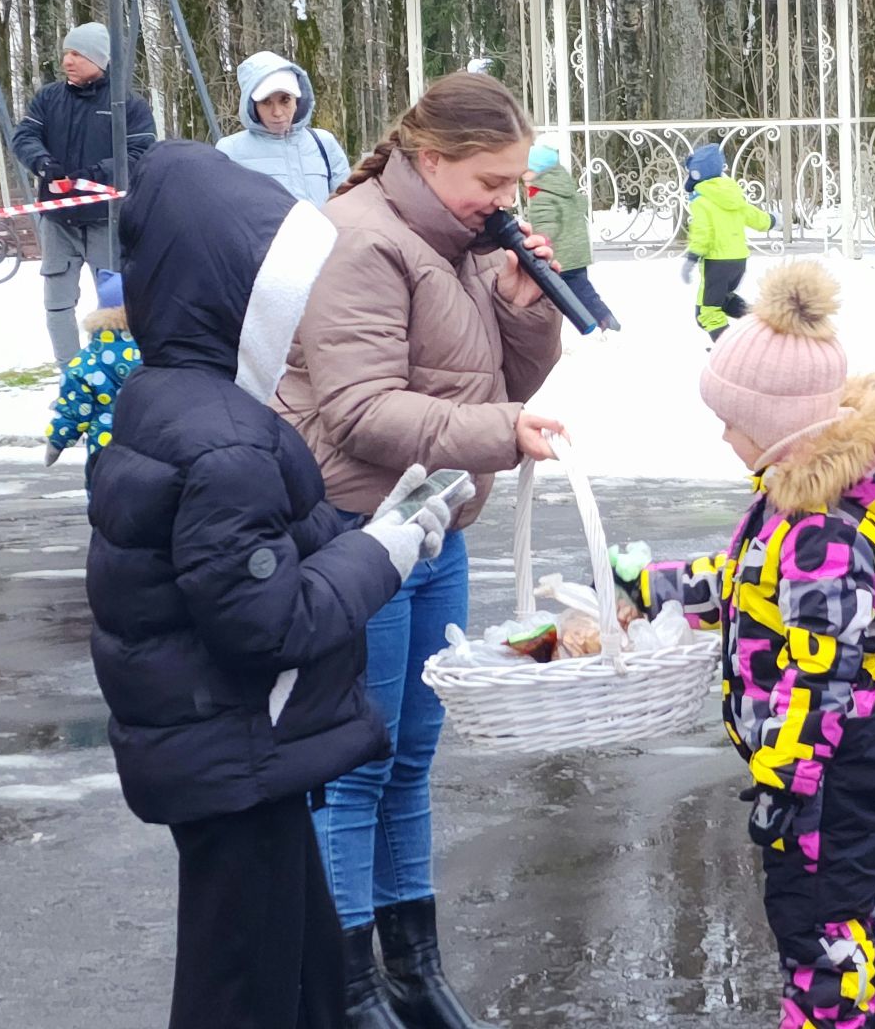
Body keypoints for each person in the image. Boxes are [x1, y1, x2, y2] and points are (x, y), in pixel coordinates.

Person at [83, 140, 453, 1029]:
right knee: (244, 990)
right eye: (281, 301)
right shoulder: (226, 440)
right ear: (229, 301)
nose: (295, 324)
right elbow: (266, 620)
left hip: (225, 755)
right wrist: (387, 555)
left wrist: (377, 526)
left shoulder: (171, 402)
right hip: (235, 756)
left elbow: (257, 549)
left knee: (301, 972)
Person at [274, 69, 566, 1029]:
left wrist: (525, 306)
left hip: (434, 525)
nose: (507, 201)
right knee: (358, 760)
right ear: (430, 159)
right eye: (492, 179)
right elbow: (361, 412)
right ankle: (346, 984)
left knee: (410, 758)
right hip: (359, 531)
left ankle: (411, 966)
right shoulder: (362, 240)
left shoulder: (460, 239)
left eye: (517, 182)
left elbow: (490, 380)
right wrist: (500, 433)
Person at [614, 260, 875, 1029]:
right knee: (840, 915)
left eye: (735, 421)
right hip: (823, 756)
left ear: (786, 431)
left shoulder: (821, 527)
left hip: (830, 759)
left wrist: (788, 779)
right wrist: (655, 587)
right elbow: (746, 583)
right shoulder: (792, 500)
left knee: (817, 925)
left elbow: (824, 664)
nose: (724, 434)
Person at [11, 22, 157, 367]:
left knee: (114, 303)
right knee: (57, 302)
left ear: (99, 59)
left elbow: (139, 152)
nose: (68, 60)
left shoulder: (128, 104)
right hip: (58, 219)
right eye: (66, 52)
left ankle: (110, 370)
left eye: (77, 53)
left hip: (108, 219)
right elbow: (24, 136)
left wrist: (97, 175)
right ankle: (69, 374)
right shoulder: (48, 98)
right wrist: (43, 163)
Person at [218, 51, 352, 207]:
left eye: (285, 100)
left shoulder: (323, 143)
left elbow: (347, 206)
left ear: (298, 100)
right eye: (266, 102)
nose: (277, 112)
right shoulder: (230, 151)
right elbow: (224, 215)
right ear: (252, 106)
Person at [679, 142, 777, 340]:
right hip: (738, 261)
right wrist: (771, 221)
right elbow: (752, 215)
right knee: (721, 301)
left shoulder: (701, 200)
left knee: (707, 314)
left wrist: (692, 257)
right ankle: (760, 319)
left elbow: (702, 232)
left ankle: (728, 348)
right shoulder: (732, 194)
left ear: (696, 173)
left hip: (716, 263)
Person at [43, 268, 137, 470]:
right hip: (154, 451)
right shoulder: (158, 353)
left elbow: (72, 412)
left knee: (105, 499)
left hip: (104, 457)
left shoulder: (86, 363)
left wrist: (56, 442)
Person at [524, 141, 617, 329]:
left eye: (526, 170)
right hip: (577, 252)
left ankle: (593, 321)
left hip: (560, 255)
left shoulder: (542, 195)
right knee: (582, 290)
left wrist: (538, 241)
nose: (523, 176)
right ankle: (603, 317)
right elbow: (581, 205)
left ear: (538, 171)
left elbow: (545, 225)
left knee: (562, 295)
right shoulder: (563, 188)